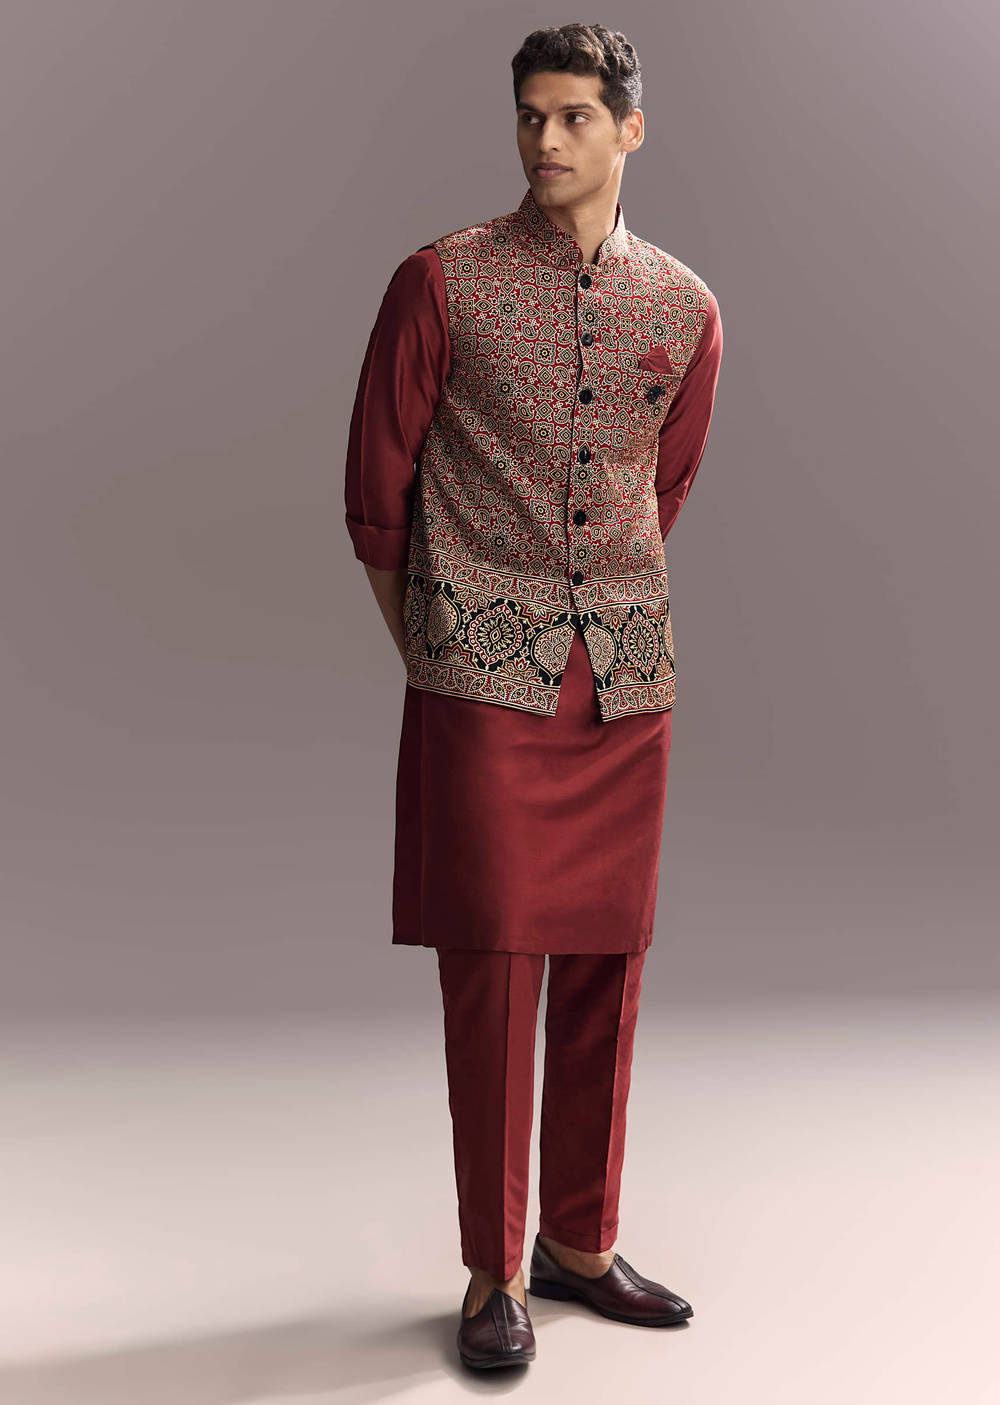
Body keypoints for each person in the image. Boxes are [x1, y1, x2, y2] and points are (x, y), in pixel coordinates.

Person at [344, 22, 723, 1370]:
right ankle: (492, 1268)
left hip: (624, 682)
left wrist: (593, 603)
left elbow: (663, 485)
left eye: (574, 117)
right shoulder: (439, 281)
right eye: (530, 115)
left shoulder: (685, 307)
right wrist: (440, 651)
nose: (545, 139)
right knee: (496, 969)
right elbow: (375, 496)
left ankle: (581, 1239)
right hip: (481, 680)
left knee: (610, 964)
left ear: (630, 130)